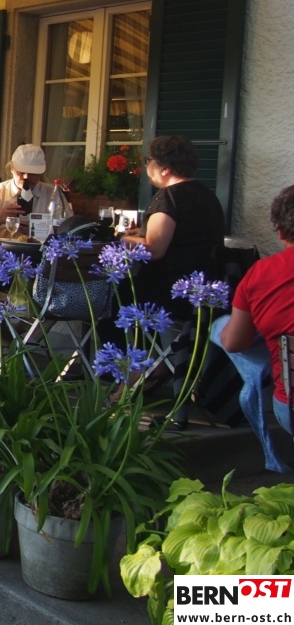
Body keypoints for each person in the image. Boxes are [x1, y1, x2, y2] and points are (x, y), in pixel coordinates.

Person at [212, 185, 294, 470]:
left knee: (221, 327)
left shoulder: (260, 274)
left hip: (290, 408)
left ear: (280, 232)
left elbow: (234, 343)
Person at [121, 135, 225, 319]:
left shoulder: (168, 197)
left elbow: (154, 250)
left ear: (165, 169)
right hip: (203, 290)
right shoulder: (207, 195)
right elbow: (188, 234)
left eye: (148, 160)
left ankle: (116, 339)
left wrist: (120, 238)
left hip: (171, 290)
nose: (146, 166)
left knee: (112, 294)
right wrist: (143, 232)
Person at [0, 144, 70, 237]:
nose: (26, 177)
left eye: (32, 174)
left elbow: (68, 230)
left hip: (40, 247)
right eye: (21, 172)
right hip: (1, 246)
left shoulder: (52, 194)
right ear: (11, 169)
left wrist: (37, 231)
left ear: (40, 174)